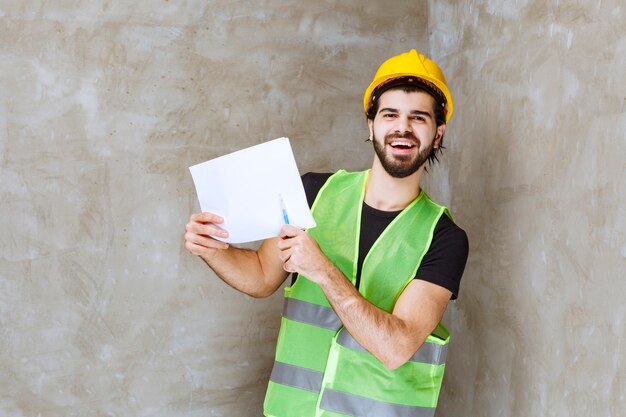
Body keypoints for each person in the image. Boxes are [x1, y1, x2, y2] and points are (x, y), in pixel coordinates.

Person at [184, 49, 468, 417]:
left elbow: (396, 347)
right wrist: (213, 249)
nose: (403, 128)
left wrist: (323, 270)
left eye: (419, 118)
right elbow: (260, 275)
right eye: (390, 115)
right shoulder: (314, 193)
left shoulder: (443, 238)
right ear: (371, 125)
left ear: (437, 132)